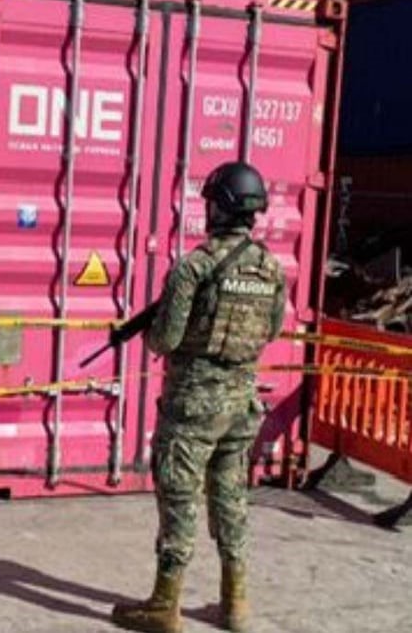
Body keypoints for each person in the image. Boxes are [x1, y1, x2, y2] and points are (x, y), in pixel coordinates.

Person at [112, 162, 285, 633]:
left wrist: (151, 331)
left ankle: (164, 605)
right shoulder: (271, 268)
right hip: (241, 405)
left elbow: (164, 339)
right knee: (231, 498)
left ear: (219, 208)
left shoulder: (195, 266)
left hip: (193, 406)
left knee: (179, 497)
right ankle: (235, 604)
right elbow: (271, 330)